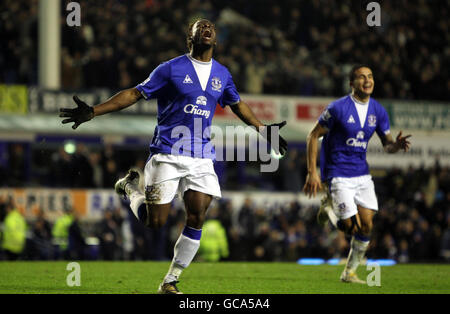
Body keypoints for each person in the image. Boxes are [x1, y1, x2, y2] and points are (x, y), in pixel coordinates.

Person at [59, 18, 287, 293]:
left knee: (197, 216)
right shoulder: (171, 69)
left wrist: (264, 130)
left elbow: (237, 104)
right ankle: (130, 188)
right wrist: (94, 111)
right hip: (167, 152)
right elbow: (134, 93)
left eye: (211, 27)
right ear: (189, 37)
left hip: (201, 155)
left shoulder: (222, 74)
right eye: (200, 26)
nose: (207, 28)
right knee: (154, 222)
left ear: (215, 39)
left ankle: (170, 280)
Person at [303, 65, 411, 283]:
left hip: (362, 173)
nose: (367, 80)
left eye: (370, 76)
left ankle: (349, 273)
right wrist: (311, 172)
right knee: (351, 228)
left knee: (367, 226)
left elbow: (387, 145)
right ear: (352, 84)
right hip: (338, 173)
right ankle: (330, 209)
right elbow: (313, 136)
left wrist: (396, 146)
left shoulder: (378, 111)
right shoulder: (338, 108)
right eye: (362, 77)